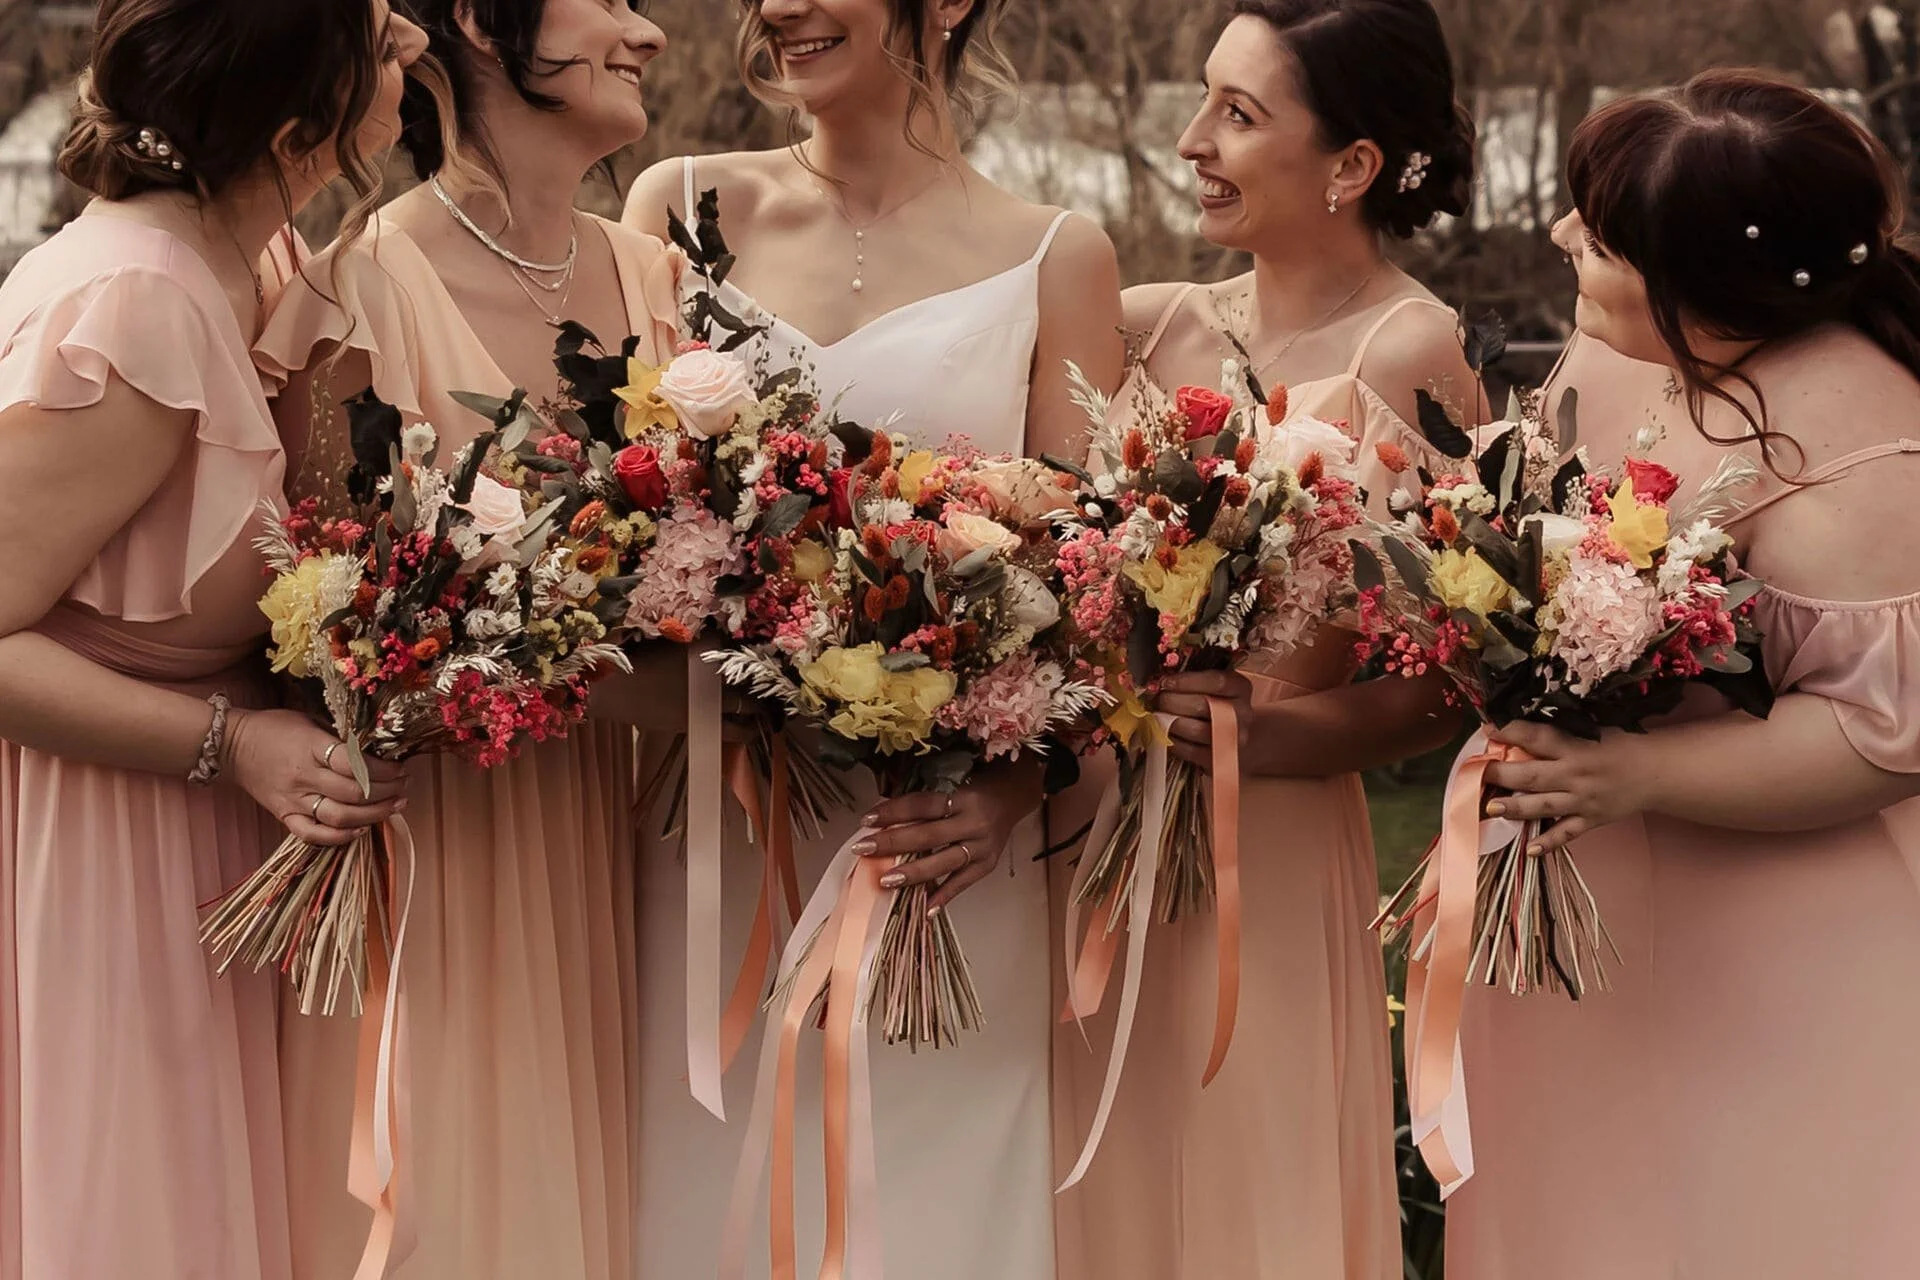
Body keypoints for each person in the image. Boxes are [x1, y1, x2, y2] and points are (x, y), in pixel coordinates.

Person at [621, 0, 1124, 1273]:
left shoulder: (1058, 253)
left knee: (934, 1211)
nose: (774, 8)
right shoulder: (673, 207)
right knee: (697, 1195)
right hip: (714, 837)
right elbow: (615, 507)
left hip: (934, 852)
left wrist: (1012, 787)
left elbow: (1094, 584)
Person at [1447, 69, 1920, 1278]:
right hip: (1584, 907)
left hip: (1788, 946)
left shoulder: (1867, 448)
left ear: (1706, 289)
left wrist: (1636, 772)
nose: (1560, 236)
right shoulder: (1611, 353)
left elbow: (1877, 734)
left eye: (1598, 237)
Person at [1047, 3, 1477, 1275]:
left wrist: (1265, 734)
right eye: (1204, 101)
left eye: (1238, 115)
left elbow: (1444, 680)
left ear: (1351, 166)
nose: (1192, 141)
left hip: (1269, 852)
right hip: (1093, 839)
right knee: (1095, 1193)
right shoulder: (1144, 323)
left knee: (1253, 1190)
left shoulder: (1415, 349)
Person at [252, 1, 680, 1274]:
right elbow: (327, 636)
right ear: (487, 28)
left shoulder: (669, 287)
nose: (649, 33)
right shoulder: (358, 296)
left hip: (634, 856)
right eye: (613, 0)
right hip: (445, 869)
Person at [0, 0, 425, 1275]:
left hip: (216, 848)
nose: (407, 43)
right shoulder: (134, 300)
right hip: (100, 841)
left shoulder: (258, 257)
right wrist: (230, 743)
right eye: (379, 30)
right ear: (300, 126)